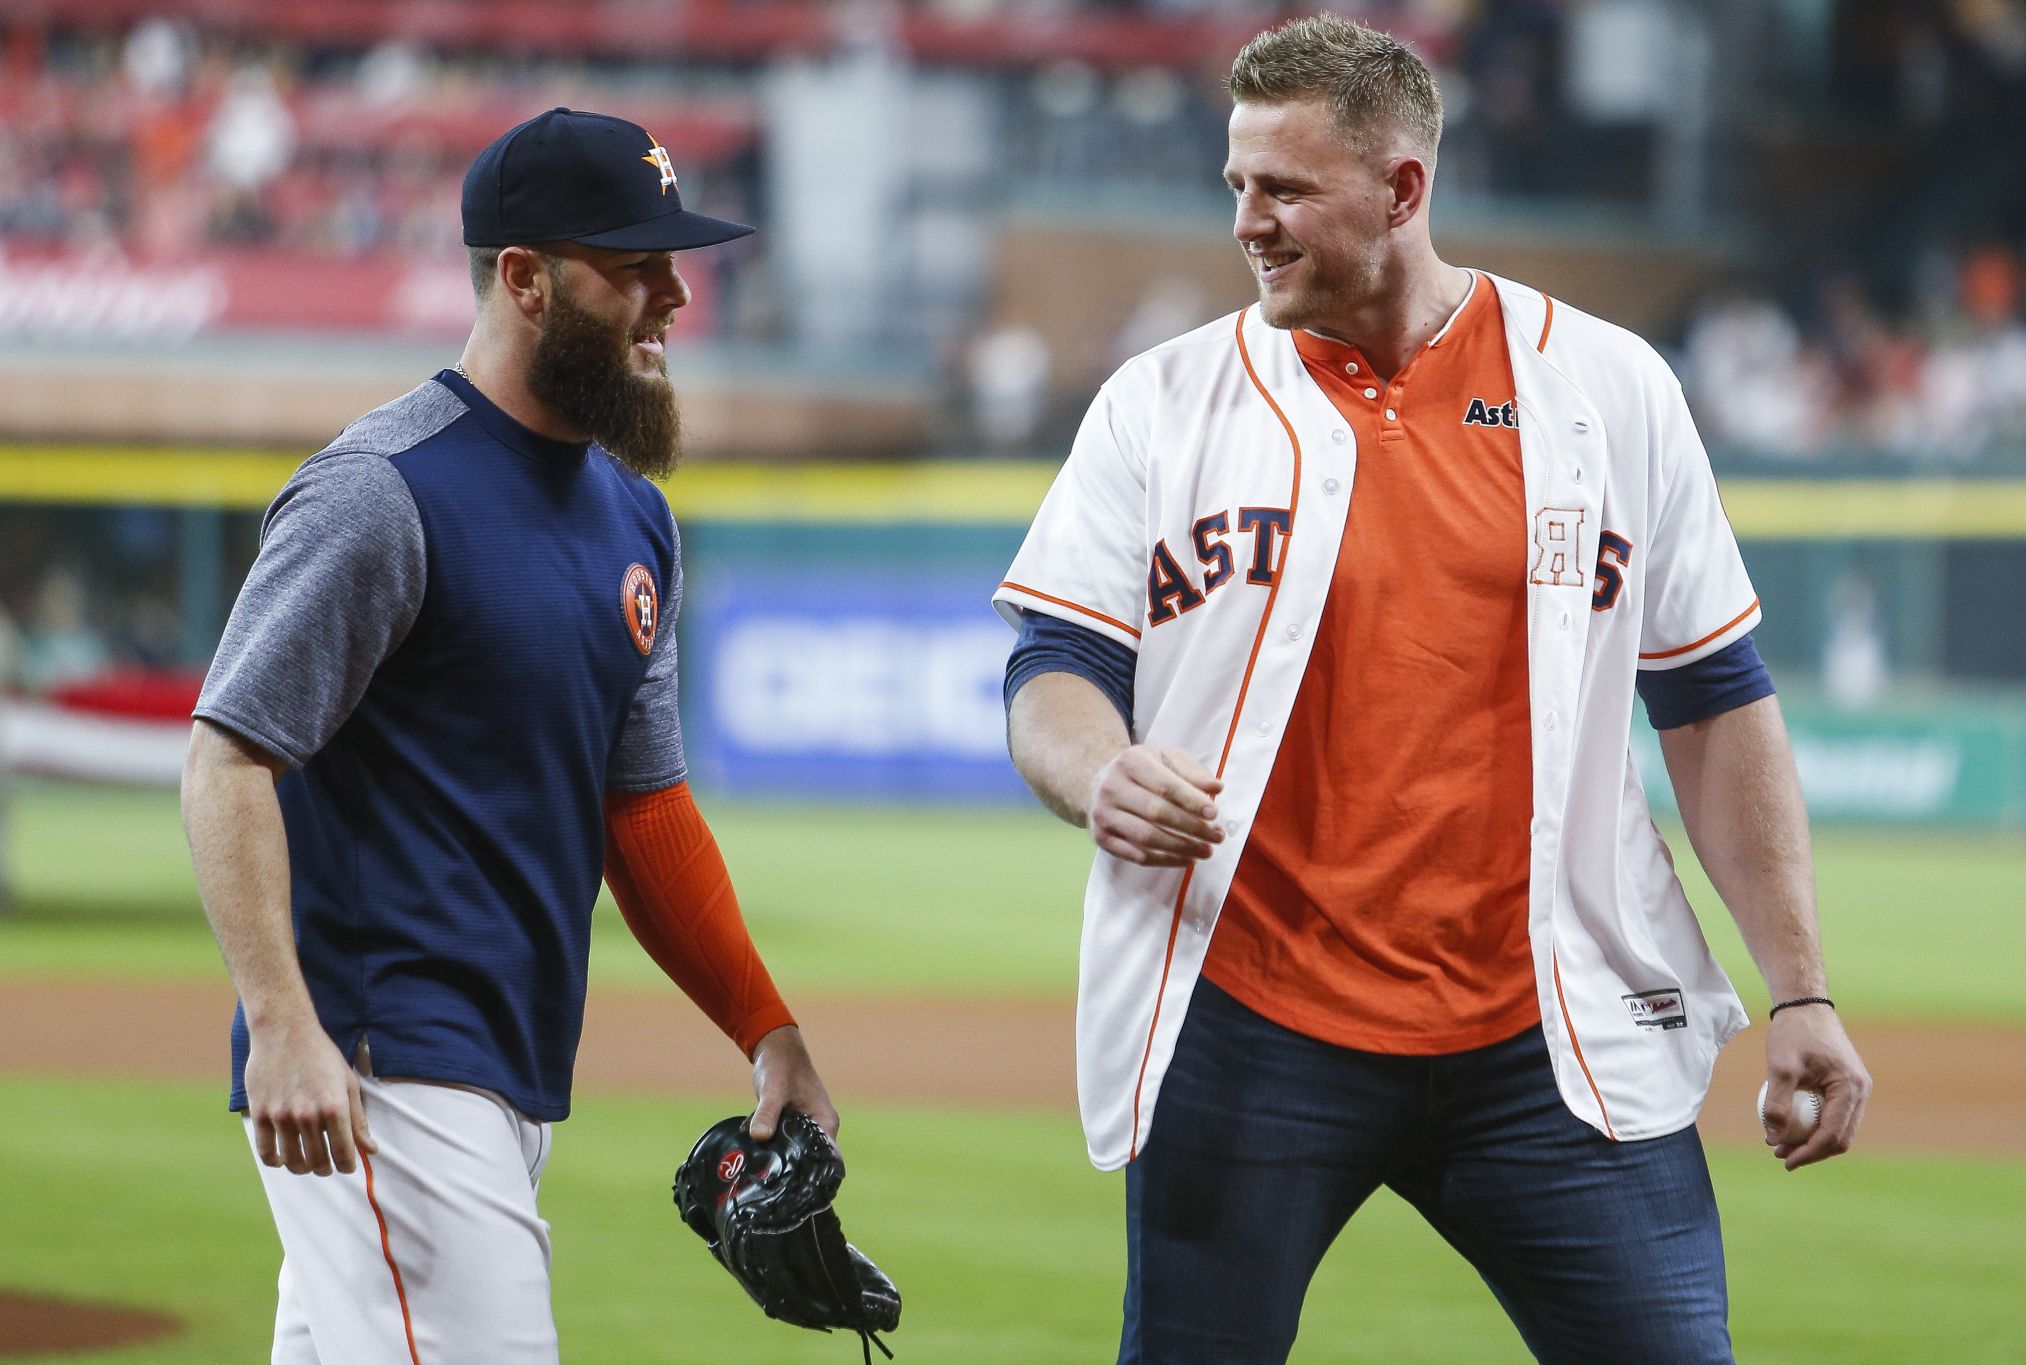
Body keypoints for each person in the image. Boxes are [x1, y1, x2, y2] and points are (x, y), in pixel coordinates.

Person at [995, 18, 1872, 1364]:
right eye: (1238, 184)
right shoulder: (1156, 406)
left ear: (1402, 191)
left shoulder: (1609, 390)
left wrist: (1800, 988)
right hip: (1253, 1021)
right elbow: (1055, 670)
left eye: (1284, 187)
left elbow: (1713, 702)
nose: (1249, 221)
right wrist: (1098, 770)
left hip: (1547, 1032)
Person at [181, 108, 835, 1365]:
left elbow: (640, 810)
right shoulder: (383, 491)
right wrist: (282, 1023)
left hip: (506, 1060)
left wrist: (767, 1030)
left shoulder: (633, 518)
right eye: (634, 264)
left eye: (673, 259)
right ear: (524, 280)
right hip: (381, 1064)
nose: (673, 294)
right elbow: (229, 757)